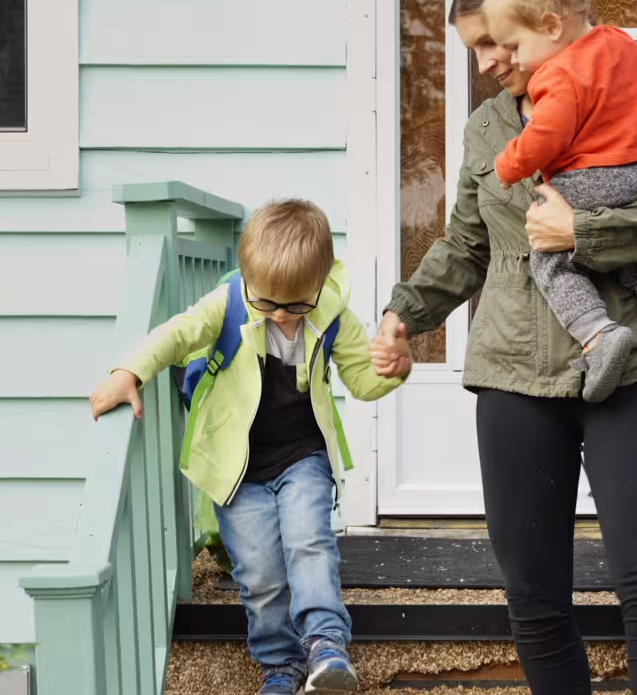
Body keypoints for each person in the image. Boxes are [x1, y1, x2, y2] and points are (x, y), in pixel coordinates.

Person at [370, 0, 637, 693]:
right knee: (533, 598)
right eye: (475, 47)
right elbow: (467, 242)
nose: (490, 60)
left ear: (538, 24)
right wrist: (406, 313)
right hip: (513, 375)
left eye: (497, 42)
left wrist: (583, 235)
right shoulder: (485, 128)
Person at [89, 199, 405, 695]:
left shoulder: (333, 314)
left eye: (296, 305)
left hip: (303, 455)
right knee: (259, 573)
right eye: (268, 304)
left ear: (318, 285)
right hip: (236, 468)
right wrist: (128, 372)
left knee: (310, 545)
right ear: (248, 281)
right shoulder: (231, 301)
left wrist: (394, 371)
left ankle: (325, 646)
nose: (281, 316)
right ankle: (281, 666)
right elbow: (176, 336)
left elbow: (362, 381)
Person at [480, 0, 637, 402]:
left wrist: (509, 164)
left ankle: (598, 335)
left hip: (587, 179)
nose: (513, 58)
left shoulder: (558, 75)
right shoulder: (621, 45)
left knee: (549, 259)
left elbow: (548, 134)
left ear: (550, 26)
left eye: (515, 46)